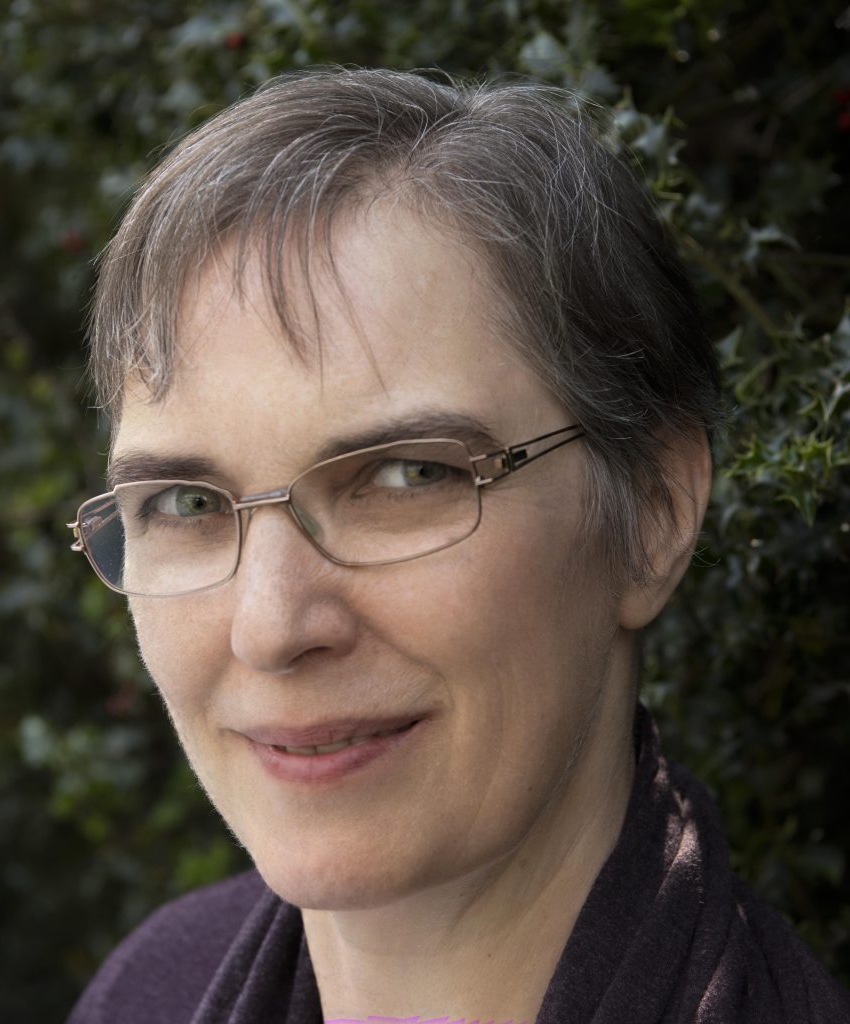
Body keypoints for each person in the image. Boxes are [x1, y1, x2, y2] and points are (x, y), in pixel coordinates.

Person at [64, 68, 849, 1024]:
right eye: (185, 502)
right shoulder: (152, 989)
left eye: (408, 477)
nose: (271, 628)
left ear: (654, 513)